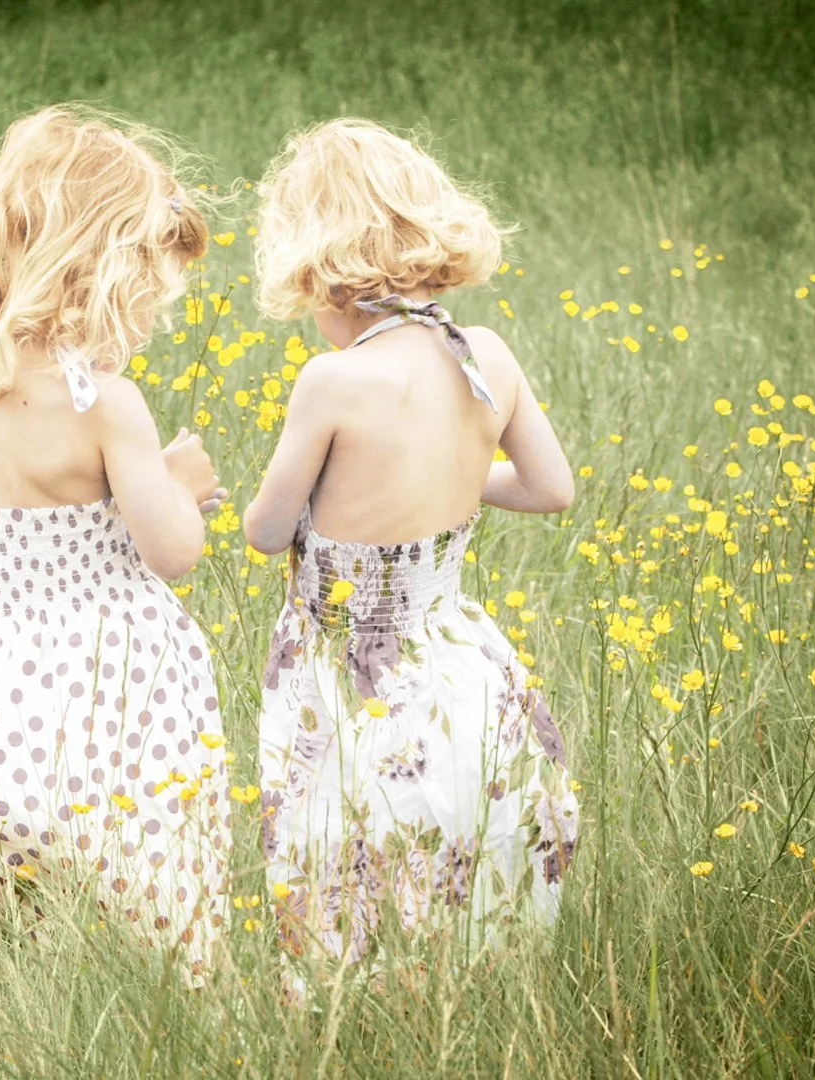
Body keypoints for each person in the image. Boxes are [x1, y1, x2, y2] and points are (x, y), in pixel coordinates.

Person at [0, 105, 232, 982]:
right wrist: (179, 487)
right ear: (103, 269)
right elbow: (172, 551)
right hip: (93, 706)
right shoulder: (103, 402)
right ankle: (192, 1004)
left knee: (0, 963)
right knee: (155, 925)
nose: (155, 306)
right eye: (150, 280)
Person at [243, 119, 580, 982]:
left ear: (322, 273)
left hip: (347, 667)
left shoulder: (335, 381)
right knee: (454, 838)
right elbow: (549, 488)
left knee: (340, 844)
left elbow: (268, 530)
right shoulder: (487, 356)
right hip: (457, 656)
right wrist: (461, 486)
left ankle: (341, 1006)